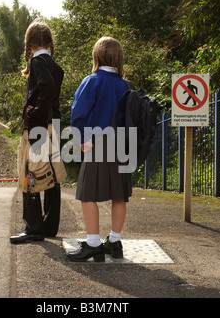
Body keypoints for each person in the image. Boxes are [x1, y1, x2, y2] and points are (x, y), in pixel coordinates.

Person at [67, 36, 132, 262]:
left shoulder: (92, 81)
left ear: (97, 56)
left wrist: (83, 139)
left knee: (87, 193)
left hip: (98, 143)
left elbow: (79, 112)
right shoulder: (125, 85)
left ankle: (93, 243)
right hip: (124, 144)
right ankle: (114, 242)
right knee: (119, 195)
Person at [10, 21, 64, 244]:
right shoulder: (53, 64)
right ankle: (49, 225)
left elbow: (48, 88)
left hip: (38, 127)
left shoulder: (37, 62)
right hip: (52, 126)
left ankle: (33, 228)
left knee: (29, 174)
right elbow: (52, 89)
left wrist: (34, 111)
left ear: (29, 44)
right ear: (50, 42)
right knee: (51, 173)